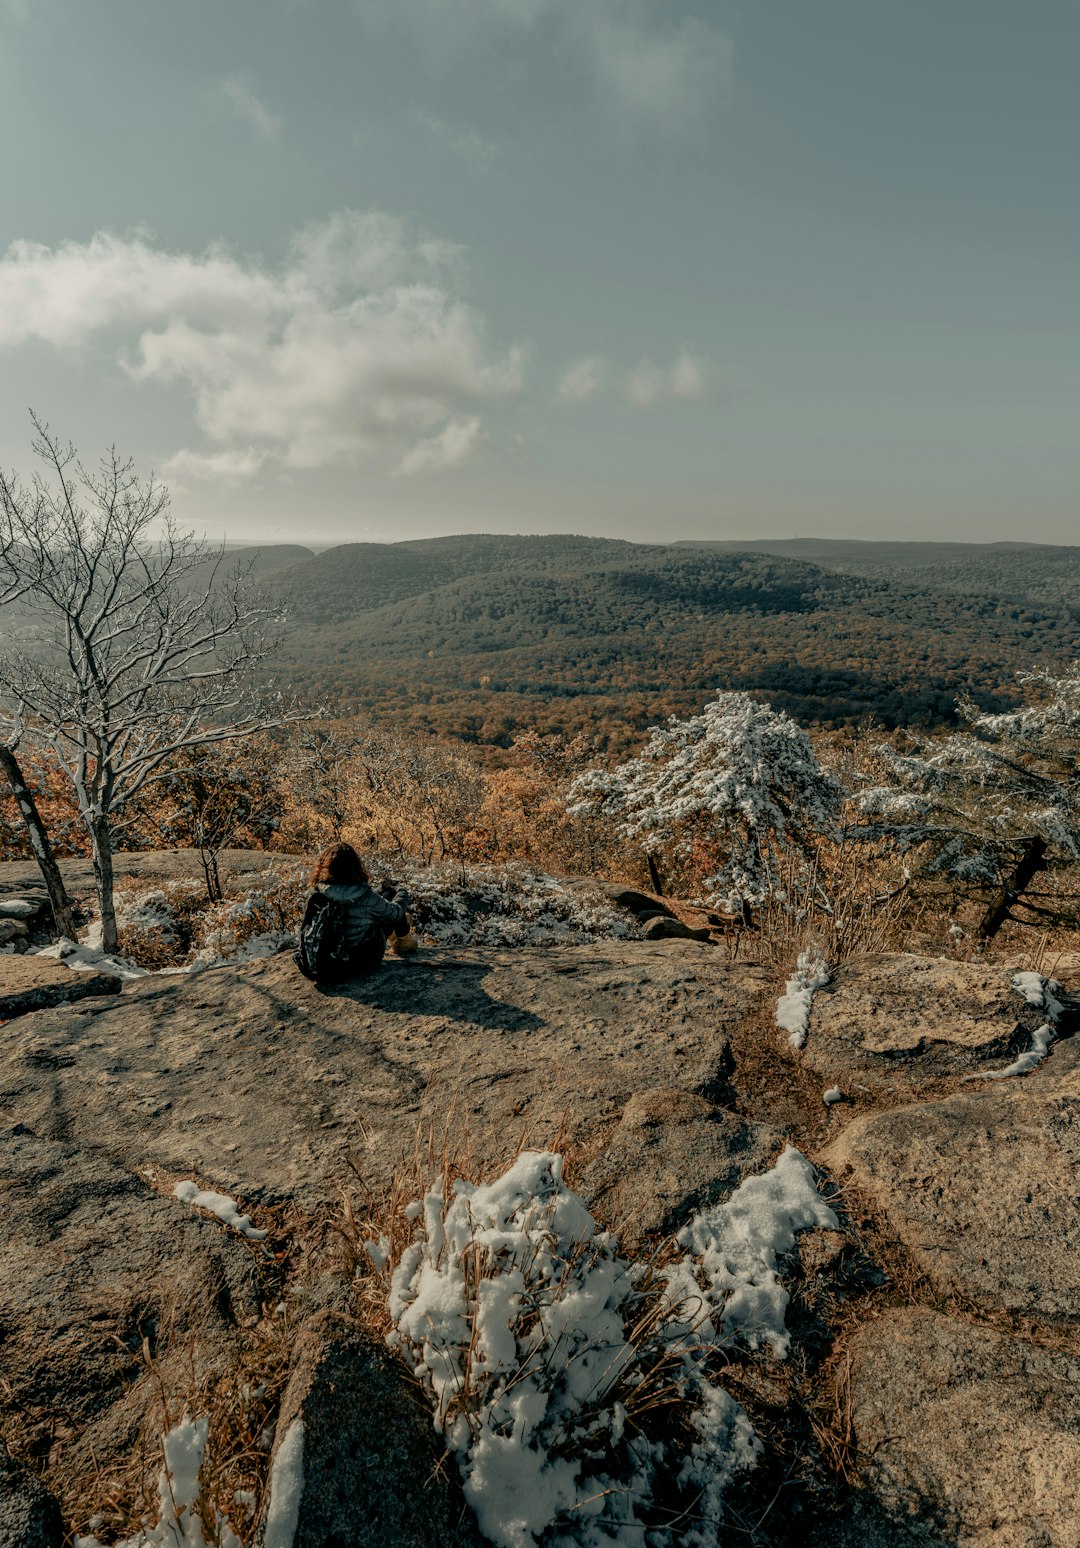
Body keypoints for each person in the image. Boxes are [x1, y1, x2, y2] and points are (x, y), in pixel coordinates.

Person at [297, 843, 413, 983]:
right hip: (357, 963)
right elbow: (396, 913)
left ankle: (399, 939)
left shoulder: (317, 893)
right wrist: (402, 891)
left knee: (382, 896)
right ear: (355, 867)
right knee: (387, 901)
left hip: (327, 961)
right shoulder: (366, 896)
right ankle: (404, 943)